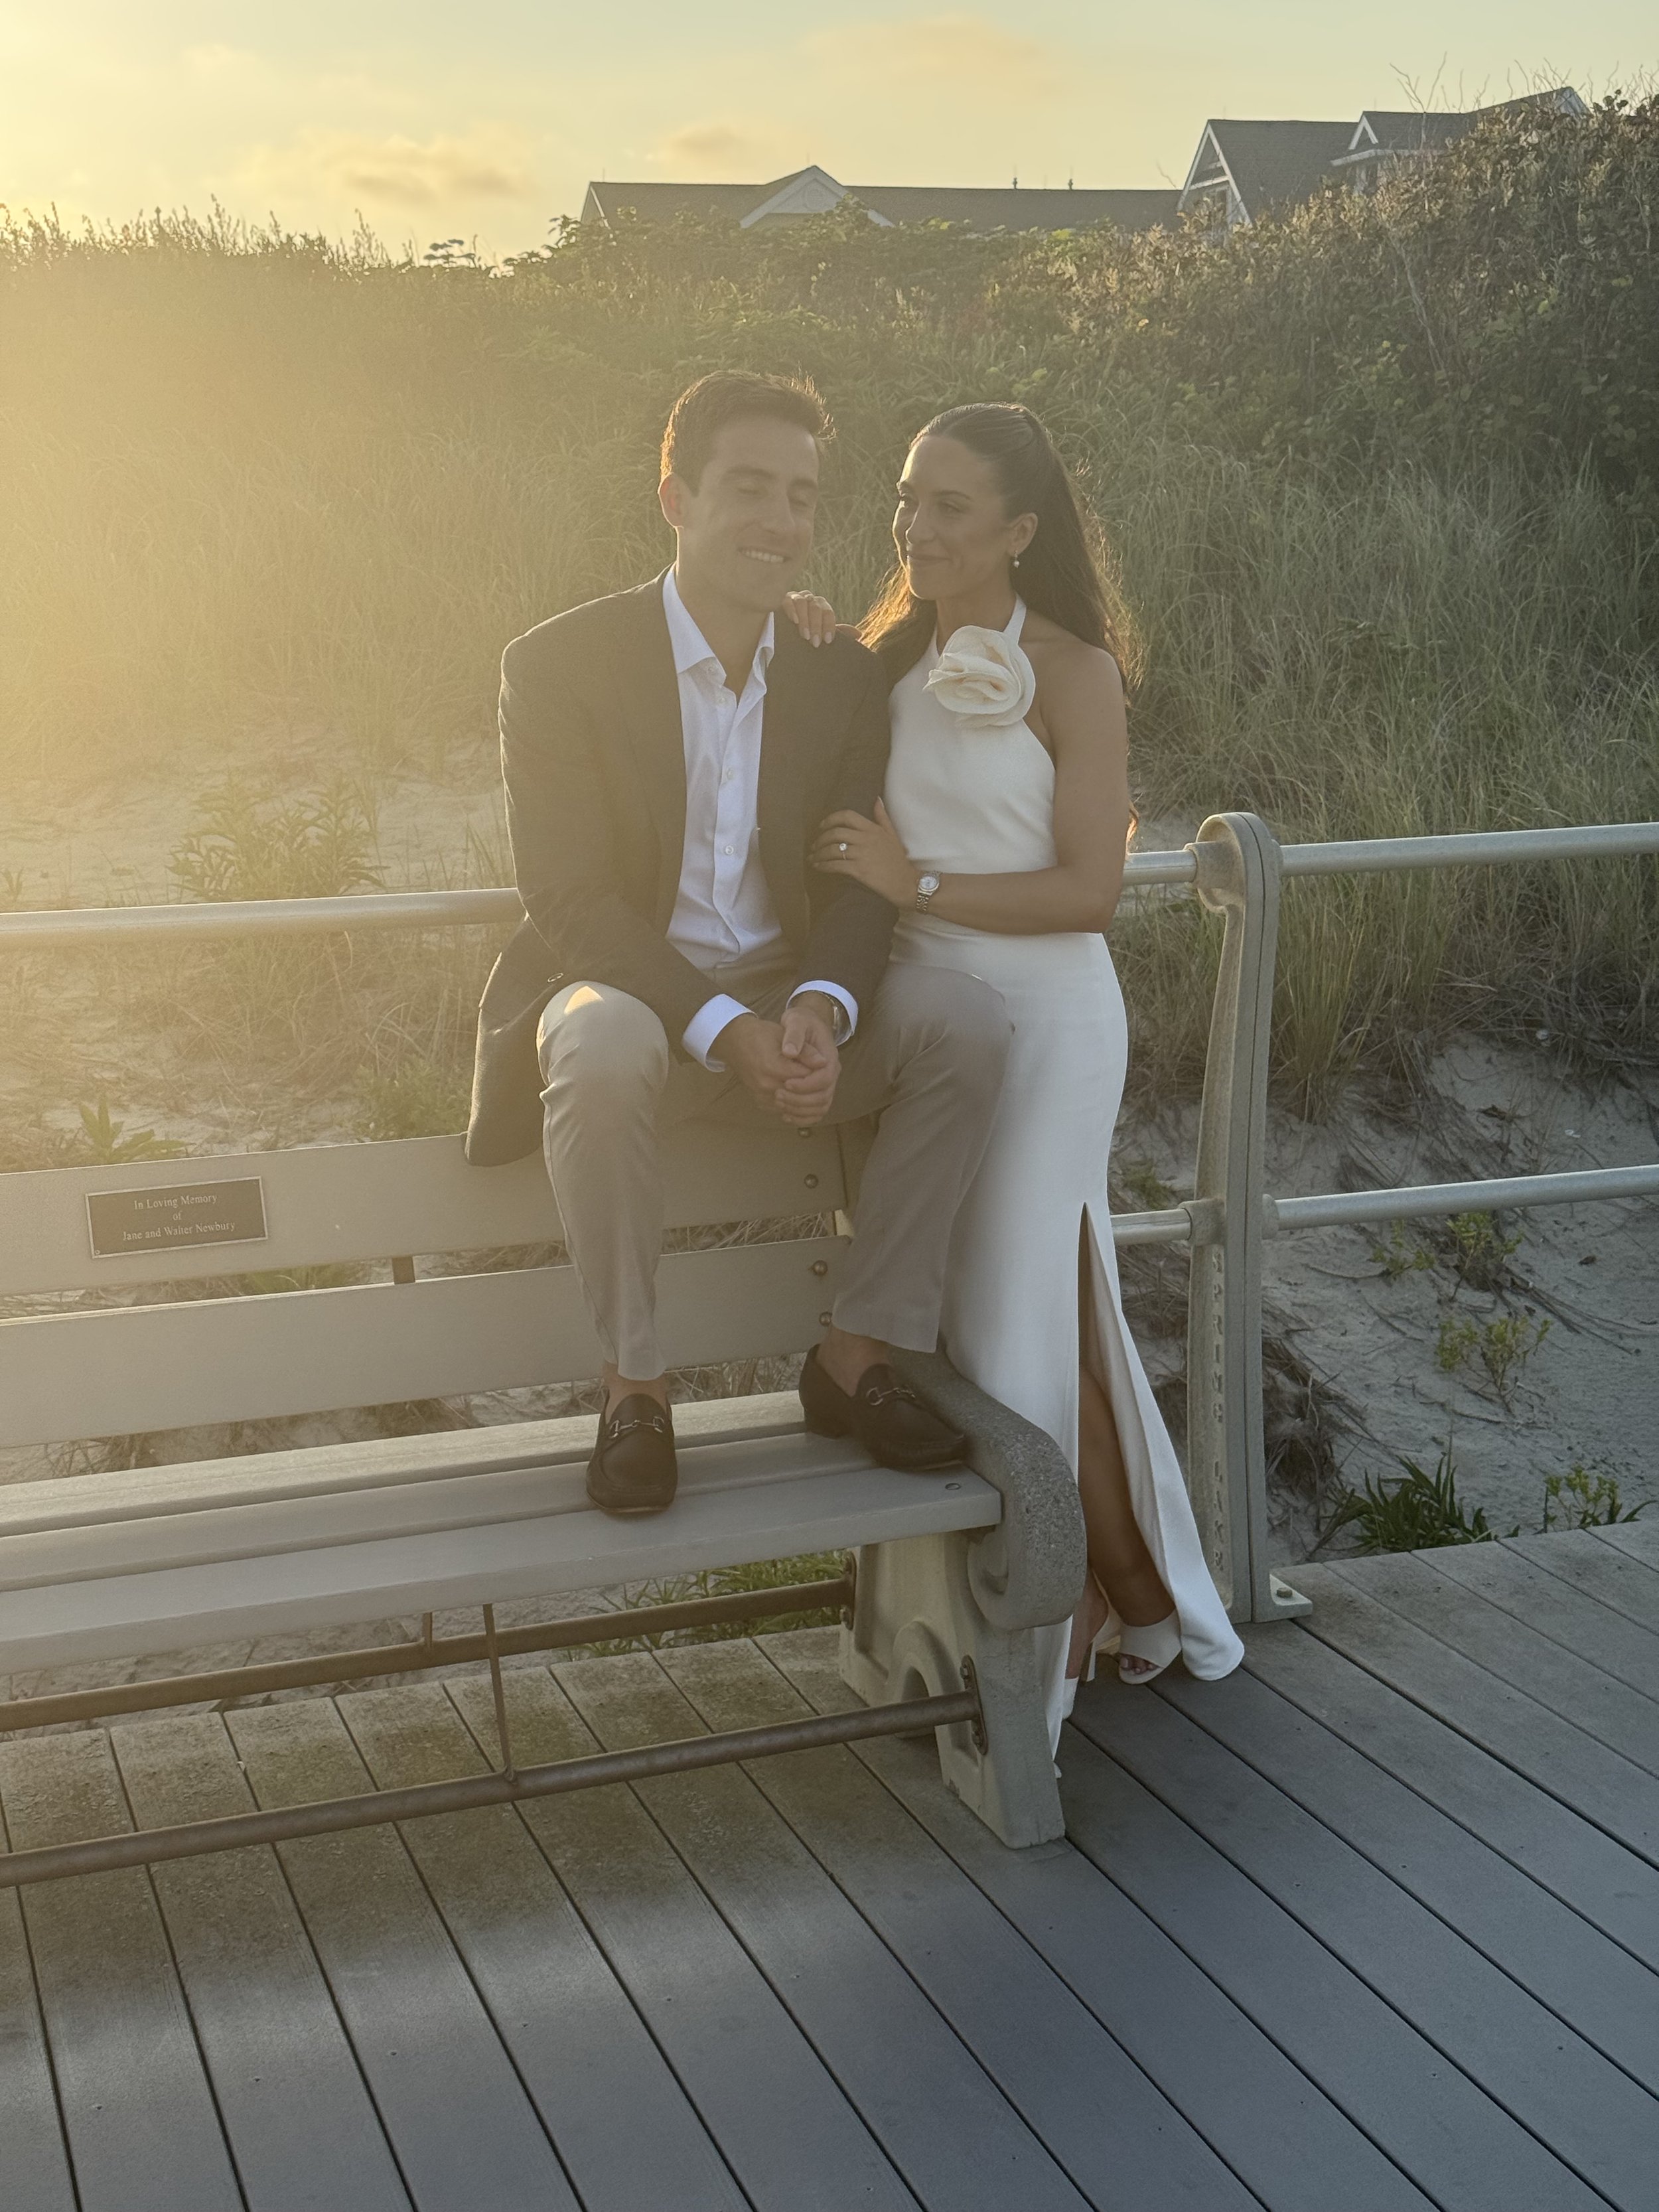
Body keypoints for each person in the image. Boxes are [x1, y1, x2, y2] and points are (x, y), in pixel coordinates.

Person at [465, 372, 1014, 1515]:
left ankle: (854, 1354)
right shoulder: (557, 664)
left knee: (963, 1021)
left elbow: (855, 871)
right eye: (750, 488)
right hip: (627, 994)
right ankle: (635, 1389)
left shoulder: (838, 670)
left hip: (787, 997)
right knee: (600, 1040)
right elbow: (567, 896)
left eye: (802, 496)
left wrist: (819, 1005)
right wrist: (724, 1026)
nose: (781, 520)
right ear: (676, 497)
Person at [794, 402, 1243, 1739]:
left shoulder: (1073, 670)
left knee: (1013, 1316)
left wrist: (917, 883)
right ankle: (1120, 1596)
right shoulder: (884, 658)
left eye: (949, 506)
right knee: (1007, 1323)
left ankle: (1061, 1629)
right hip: (927, 1026)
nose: (915, 526)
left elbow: (1089, 889)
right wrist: (802, 637)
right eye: (906, 497)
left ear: (1019, 530)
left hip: (1047, 1020)